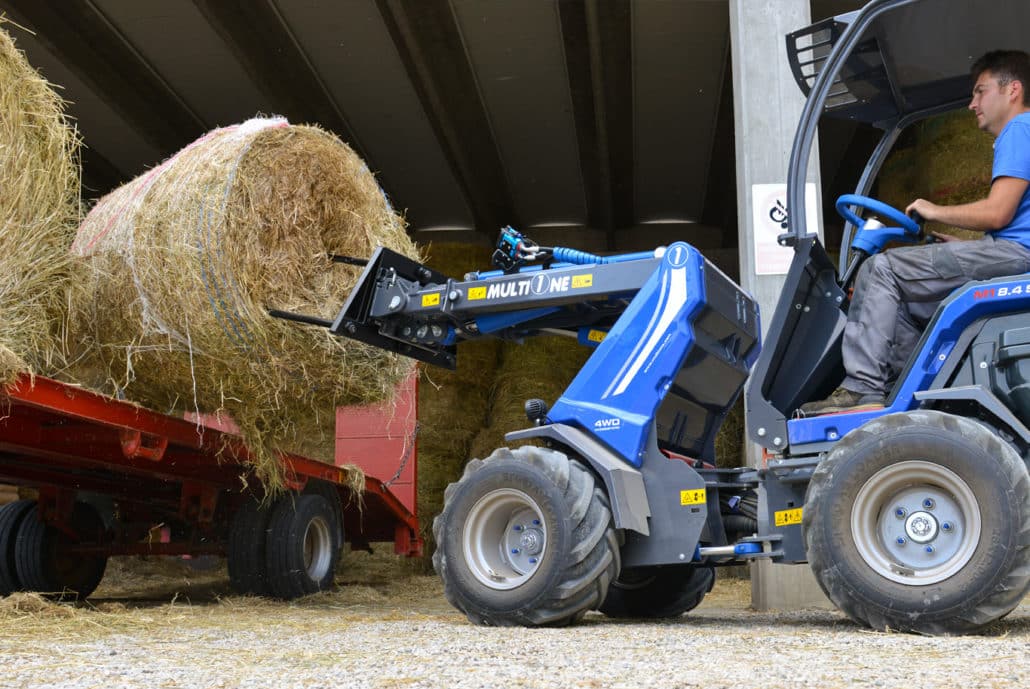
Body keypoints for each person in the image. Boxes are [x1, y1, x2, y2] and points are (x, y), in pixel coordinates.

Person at [801, 49, 1030, 415]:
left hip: (1018, 258)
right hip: (1013, 252)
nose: (972, 104)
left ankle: (861, 388)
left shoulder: (1020, 129)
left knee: (882, 270)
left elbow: (998, 212)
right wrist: (967, 246)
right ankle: (909, 397)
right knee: (904, 302)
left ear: (1012, 89)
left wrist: (932, 209)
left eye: (980, 91)